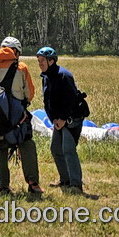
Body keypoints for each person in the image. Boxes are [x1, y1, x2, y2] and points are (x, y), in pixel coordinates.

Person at [0, 36, 43, 197]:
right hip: (18, 118)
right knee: (27, 145)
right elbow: (29, 94)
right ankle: (33, 183)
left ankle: (3, 186)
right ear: (15, 51)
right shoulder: (21, 67)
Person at [36, 45, 84, 193]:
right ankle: (65, 180)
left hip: (72, 118)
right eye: (38, 60)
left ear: (51, 61)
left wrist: (63, 118)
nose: (40, 63)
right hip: (58, 120)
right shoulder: (46, 77)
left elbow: (70, 100)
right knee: (56, 148)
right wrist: (54, 120)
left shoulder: (64, 75)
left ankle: (76, 184)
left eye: (42, 60)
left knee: (68, 150)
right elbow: (47, 101)